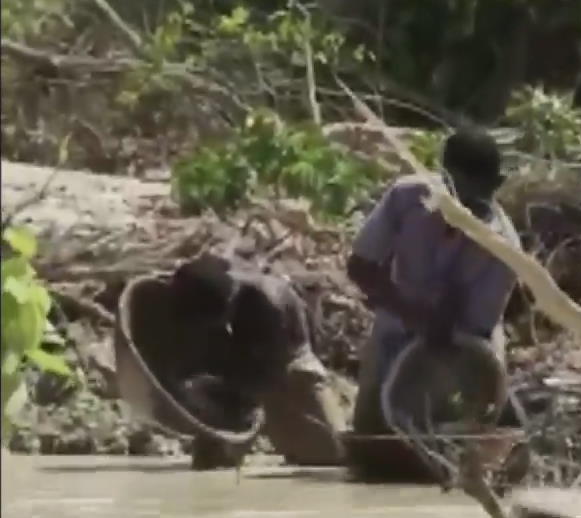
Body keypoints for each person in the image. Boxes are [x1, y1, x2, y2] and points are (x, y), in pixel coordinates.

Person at [345, 128, 527, 476]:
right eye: (456, 194)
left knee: (460, 438)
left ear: (497, 184)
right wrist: (408, 310)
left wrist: (441, 323)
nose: (463, 208)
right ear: (442, 179)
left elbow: (472, 334)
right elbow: (360, 266)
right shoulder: (406, 198)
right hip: (395, 329)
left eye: (475, 200)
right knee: (371, 443)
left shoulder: (504, 249)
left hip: (465, 346)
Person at [169, 254, 346, 470]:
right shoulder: (199, 282)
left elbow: (266, 376)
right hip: (241, 369)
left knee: (333, 459)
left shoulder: (270, 305)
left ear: (227, 305)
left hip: (290, 370)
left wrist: (213, 389)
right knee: (210, 465)